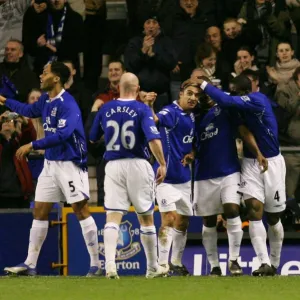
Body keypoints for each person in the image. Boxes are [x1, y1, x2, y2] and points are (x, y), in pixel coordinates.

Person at [1, 61, 100, 277]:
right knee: (40, 211)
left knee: (80, 210)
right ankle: (30, 264)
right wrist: (5, 100)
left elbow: (63, 136)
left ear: (56, 78)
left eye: (44, 72)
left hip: (70, 164)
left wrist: (33, 145)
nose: (40, 75)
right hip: (51, 165)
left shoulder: (68, 104)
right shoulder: (46, 99)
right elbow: (27, 109)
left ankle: (96, 264)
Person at [197, 74, 286, 276]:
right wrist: (256, 153)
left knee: (273, 217)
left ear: (242, 92)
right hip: (250, 162)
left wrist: (203, 83)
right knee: (255, 210)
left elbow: (227, 99)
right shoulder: (236, 109)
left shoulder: (258, 99)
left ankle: (275, 263)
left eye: (234, 91)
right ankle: (264, 263)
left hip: (273, 163)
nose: (232, 94)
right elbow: (244, 131)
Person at [89, 72, 168, 279]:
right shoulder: (142, 109)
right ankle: (152, 268)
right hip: (138, 164)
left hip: (113, 165)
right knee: (146, 217)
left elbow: (93, 137)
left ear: (119, 88)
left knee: (113, 217)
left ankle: (110, 267)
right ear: (137, 88)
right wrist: (162, 163)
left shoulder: (105, 108)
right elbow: (153, 139)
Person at [142, 79, 199, 276]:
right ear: (181, 94)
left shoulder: (191, 117)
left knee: (183, 221)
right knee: (169, 218)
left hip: (184, 178)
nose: (193, 98)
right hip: (164, 178)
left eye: (196, 96)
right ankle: (162, 265)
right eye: (190, 94)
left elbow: (188, 142)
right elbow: (153, 120)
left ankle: (176, 261)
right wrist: (149, 105)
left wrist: (190, 154)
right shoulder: (170, 112)